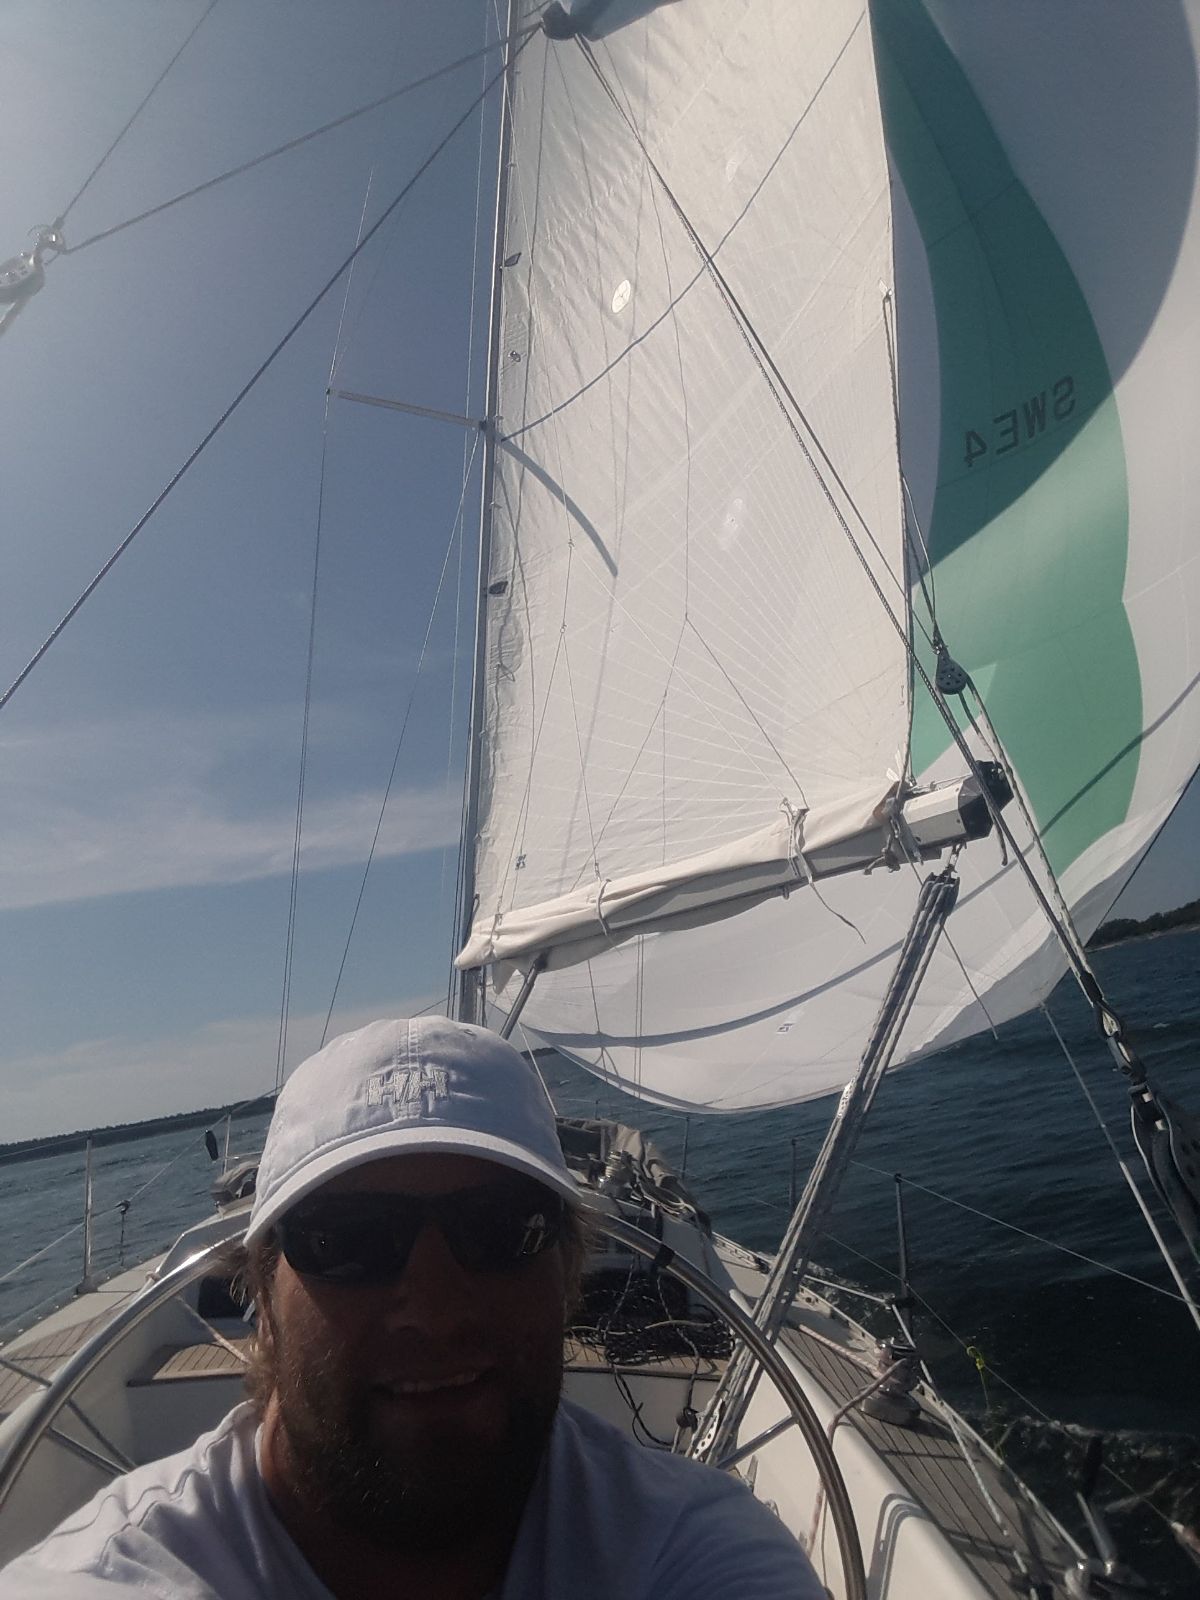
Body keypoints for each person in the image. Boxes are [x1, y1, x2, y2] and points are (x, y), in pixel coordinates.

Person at [0, 1017, 825, 1598]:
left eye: (502, 1229)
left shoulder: (690, 1546)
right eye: (349, 1239)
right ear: (263, 1294)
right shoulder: (124, 1574)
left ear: (568, 1267)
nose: (433, 1312)